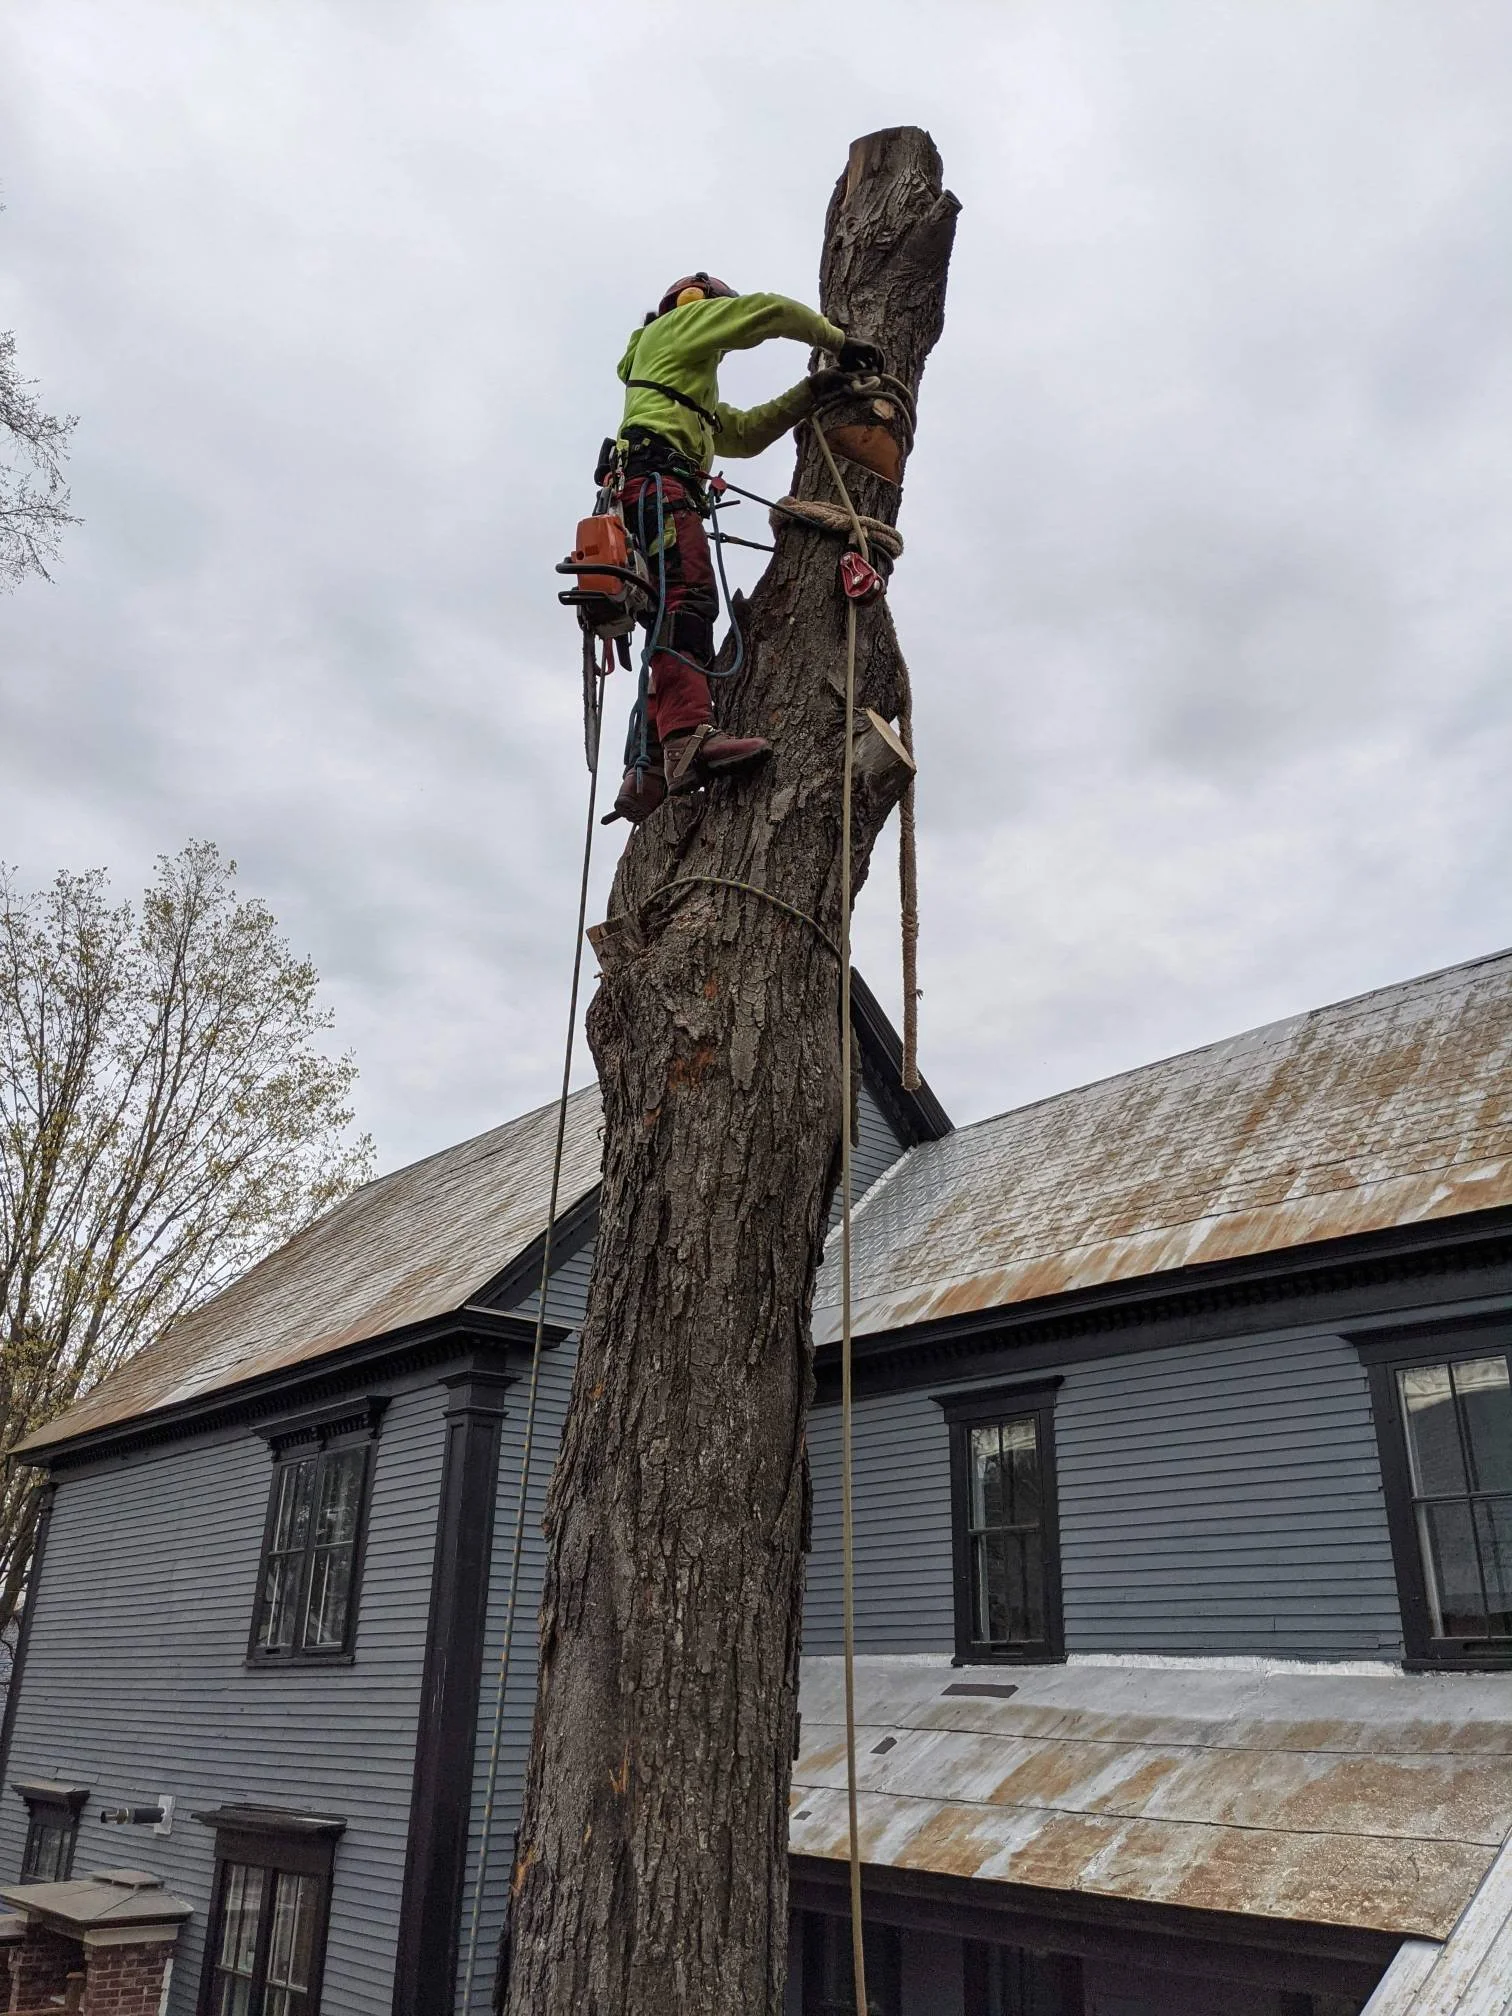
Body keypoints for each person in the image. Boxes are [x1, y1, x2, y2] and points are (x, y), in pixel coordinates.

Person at [609, 272, 883, 824]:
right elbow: (768, 312)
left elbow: (746, 433)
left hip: (649, 491)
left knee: (668, 614)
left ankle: (648, 764)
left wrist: (812, 392)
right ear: (694, 304)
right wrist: (838, 341)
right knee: (687, 602)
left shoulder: (681, 391)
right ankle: (686, 740)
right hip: (660, 486)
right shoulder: (677, 326)